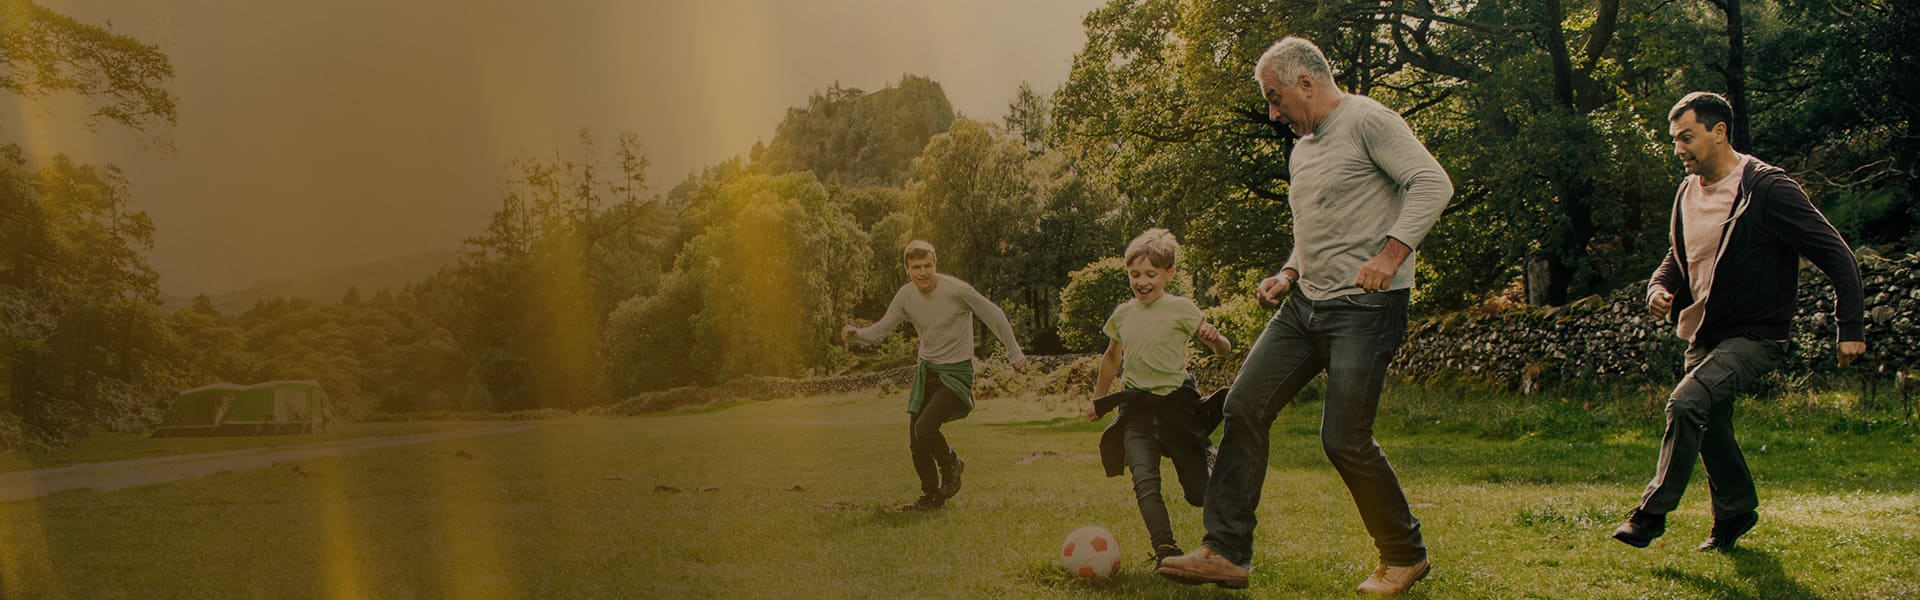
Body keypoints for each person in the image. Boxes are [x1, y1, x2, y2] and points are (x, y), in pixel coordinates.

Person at [1155, 36, 1451, 595]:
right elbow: (1316, 229)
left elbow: (1432, 183)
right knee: (1243, 406)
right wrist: (1288, 273)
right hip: (1304, 304)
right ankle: (1226, 552)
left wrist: (1391, 256)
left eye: (1275, 98)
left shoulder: (1368, 120)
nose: (1273, 112)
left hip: (1365, 308)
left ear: (1306, 84)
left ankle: (1404, 554)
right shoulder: (1303, 149)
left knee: (1343, 437)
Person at [1612, 91, 1865, 551]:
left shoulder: (1766, 188)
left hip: (1756, 334)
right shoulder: (1688, 191)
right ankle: (1735, 513)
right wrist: (1658, 287)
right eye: (1674, 140)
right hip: (1704, 332)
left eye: (1686, 138)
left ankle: (1649, 515)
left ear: (1719, 131)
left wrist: (1850, 327)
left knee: (1687, 403)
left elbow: (1836, 254)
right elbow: (1678, 253)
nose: (1678, 150)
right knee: (1709, 424)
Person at [842, 240, 1029, 511]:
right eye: (916, 267)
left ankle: (952, 462)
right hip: (927, 371)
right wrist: (857, 334)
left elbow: (994, 315)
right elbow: (881, 330)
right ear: (907, 269)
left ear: (935, 263)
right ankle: (930, 496)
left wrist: (1015, 353)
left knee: (925, 428)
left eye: (927, 266)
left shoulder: (957, 290)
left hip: (956, 373)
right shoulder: (906, 296)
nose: (923, 273)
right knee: (916, 442)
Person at [1084, 228, 1232, 567]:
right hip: (1136, 410)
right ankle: (1166, 550)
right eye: (1135, 274)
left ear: (1169, 274)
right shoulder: (1123, 314)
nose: (1142, 281)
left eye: (1151, 274)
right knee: (1145, 482)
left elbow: (1223, 350)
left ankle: (1213, 479)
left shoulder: (1181, 309)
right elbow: (1111, 357)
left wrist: (1214, 338)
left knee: (1199, 494)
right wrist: (1098, 398)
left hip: (1176, 410)